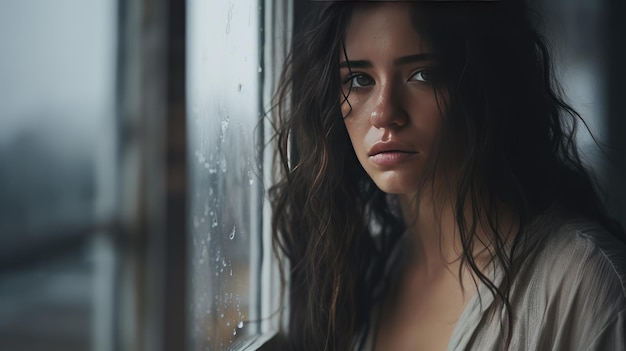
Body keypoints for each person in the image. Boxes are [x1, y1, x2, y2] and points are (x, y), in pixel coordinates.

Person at [269, 1, 626, 350]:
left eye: (422, 74)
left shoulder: (585, 282)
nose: (383, 113)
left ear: (485, 85)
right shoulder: (363, 273)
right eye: (360, 79)